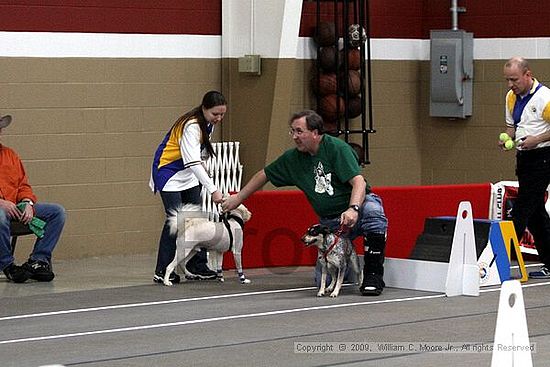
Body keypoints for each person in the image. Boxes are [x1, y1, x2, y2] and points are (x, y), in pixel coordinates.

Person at [221, 110, 388, 295]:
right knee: (322, 281)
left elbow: (359, 182)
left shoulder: (337, 149)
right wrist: (237, 198)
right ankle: (347, 265)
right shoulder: (293, 159)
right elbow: (264, 175)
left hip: (355, 210)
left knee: (373, 210)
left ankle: (373, 274)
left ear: (315, 133)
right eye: (292, 131)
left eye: (299, 131)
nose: (295, 137)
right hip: (331, 223)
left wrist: (353, 208)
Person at [150, 91, 226, 284]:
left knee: (195, 219)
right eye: (215, 114)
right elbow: (192, 161)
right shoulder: (191, 125)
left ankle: (196, 265)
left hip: (187, 173)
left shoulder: (208, 124)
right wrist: (213, 190)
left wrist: (204, 165)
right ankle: (162, 270)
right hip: (168, 172)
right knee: (176, 221)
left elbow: (197, 154)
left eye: (222, 114)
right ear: (204, 109)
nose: (218, 118)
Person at [0, 114, 66, 283]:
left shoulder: (11, 155)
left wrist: (27, 203)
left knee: (57, 212)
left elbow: (23, 185)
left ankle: (38, 260)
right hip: (3, 210)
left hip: (16, 208)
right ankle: (8, 265)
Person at [501, 56, 550, 279]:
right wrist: (506, 139)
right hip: (524, 158)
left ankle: (501, 260)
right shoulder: (511, 97)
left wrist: (537, 139)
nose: (511, 84)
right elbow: (512, 127)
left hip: (543, 157)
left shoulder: (545, 98)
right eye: (508, 80)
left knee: (522, 209)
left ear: (527, 74)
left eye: (514, 79)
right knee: (535, 213)